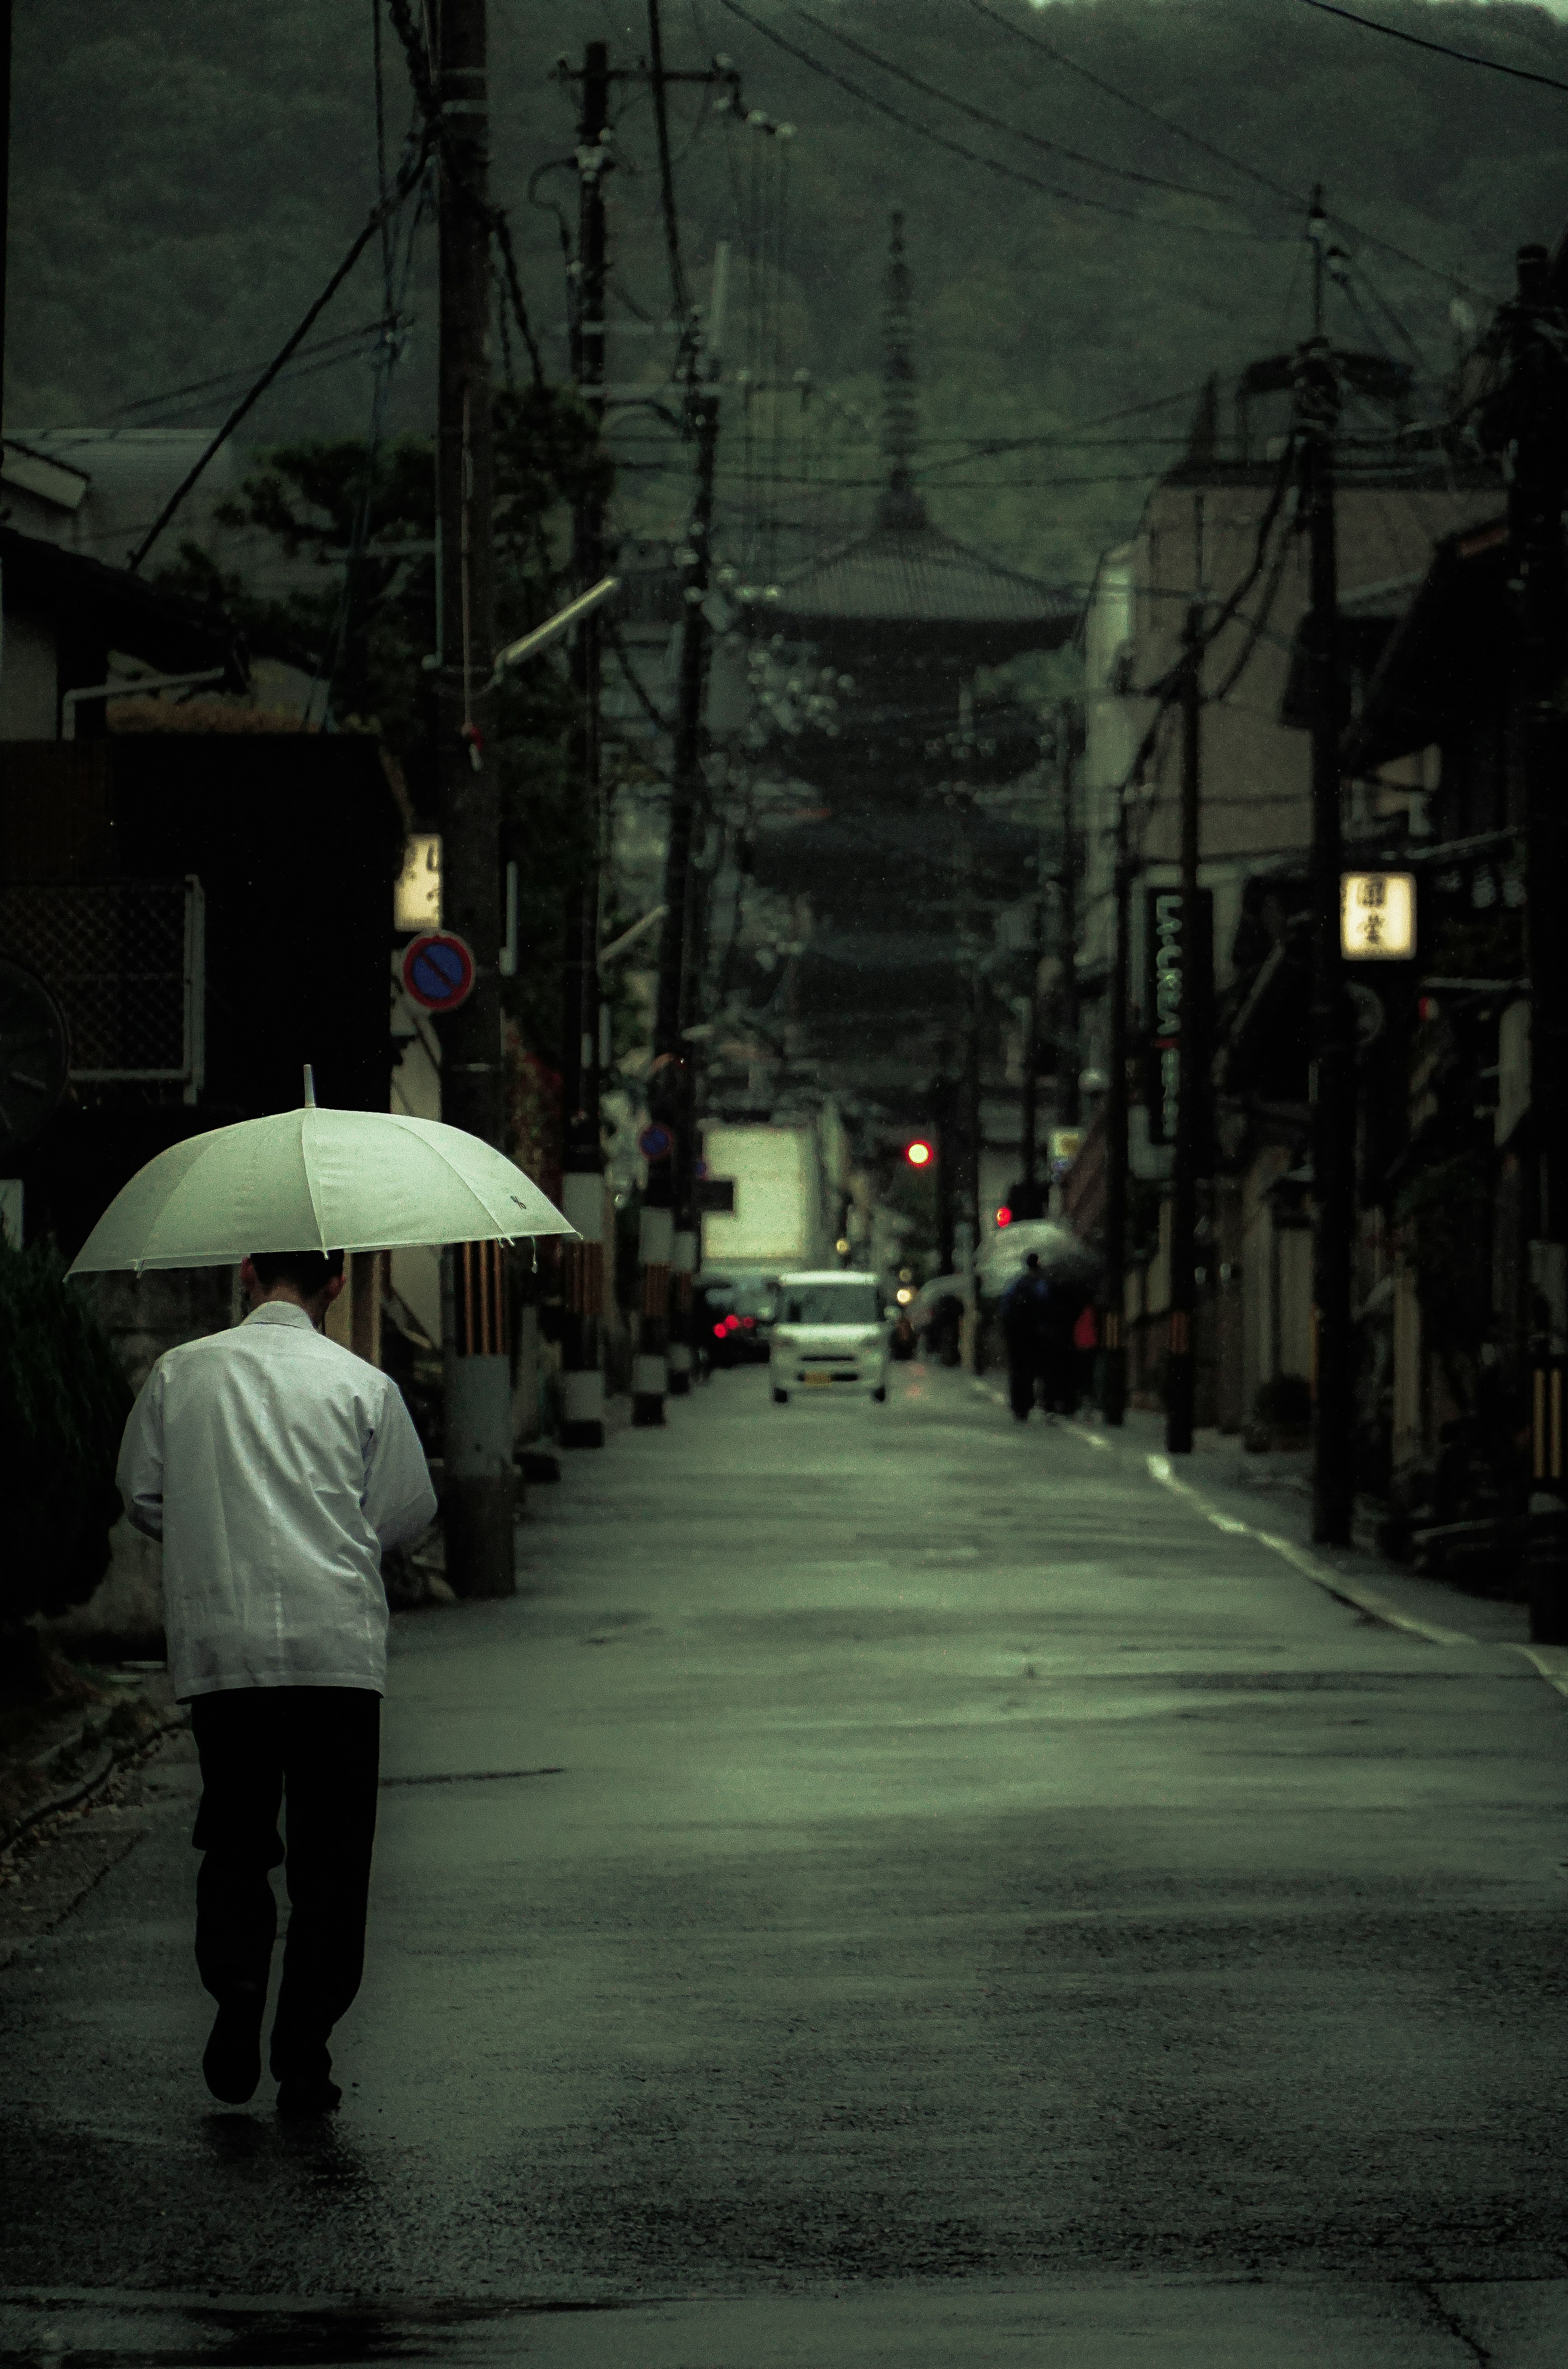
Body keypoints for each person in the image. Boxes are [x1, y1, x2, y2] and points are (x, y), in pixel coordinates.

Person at [116, 1247, 437, 2119]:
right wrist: (338, 1535)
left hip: (225, 1650)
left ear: (248, 1274)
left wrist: (213, 1530)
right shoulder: (362, 1386)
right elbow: (408, 1511)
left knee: (235, 1834)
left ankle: (236, 1989)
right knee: (332, 1863)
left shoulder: (182, 1375)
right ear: (336, 1284)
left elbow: (141, 1492)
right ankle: (304, 2053)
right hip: (336, 1653)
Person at [1000, 1252, 1049, 1421]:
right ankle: (1028, 1402)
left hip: (1016, 1334)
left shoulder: (1017, 1283)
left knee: (1017, 1369)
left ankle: (1017, 1404)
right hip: (1033, 1333)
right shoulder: (1041, 1284)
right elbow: (1046, 1306)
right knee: (1031, 1370)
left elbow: (1005, 1306)